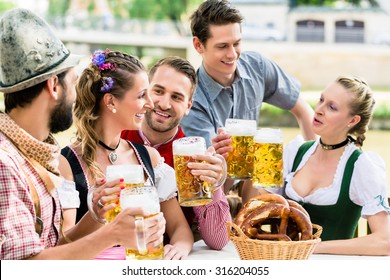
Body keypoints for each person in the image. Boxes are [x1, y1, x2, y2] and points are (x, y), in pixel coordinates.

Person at [0, 8, 165, 260]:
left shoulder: (32, 155)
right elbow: (22, 270)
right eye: (74, 82)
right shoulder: (5, 164)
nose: (79, 95)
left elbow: (51, 250)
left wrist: (95, 217)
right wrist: (112, 234)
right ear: (54, 86)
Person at [180, 0, 316, 204]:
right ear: (198, 45)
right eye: (222, 46)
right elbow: (212, 179)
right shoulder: (192, 101)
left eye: (236, 43)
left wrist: (313, 166)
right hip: (215, 198)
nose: (232, 54)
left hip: (259, 190)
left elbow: (303, 111)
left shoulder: (257, 66)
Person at [61, 50, 194, 260]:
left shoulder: (148, 157)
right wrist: (95, 215)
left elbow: (181, 230)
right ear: (111, 102)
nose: (151, 104)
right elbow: (61, 246)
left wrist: (178, 248)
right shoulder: (66, 162)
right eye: (142, 95)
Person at [121, 56, 231, 250]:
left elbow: (218, 241)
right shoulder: (116, 137)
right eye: (158, 91)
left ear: (188, 106)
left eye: (176, 97)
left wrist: (214, 185)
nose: (164, 104)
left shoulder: (193, 158)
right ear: (145, 91)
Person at [280, 75, 390, 255]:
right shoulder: (296, 153)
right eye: (321, 100)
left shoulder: (361, 166)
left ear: (352, 121)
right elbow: (263, 203)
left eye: (332, 107)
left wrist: (314, 248)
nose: (319, 110)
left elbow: (385, 241)